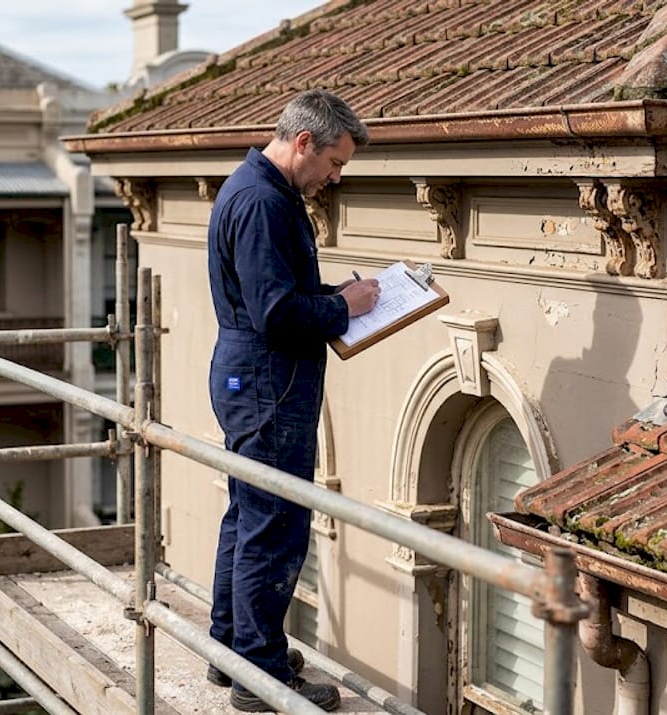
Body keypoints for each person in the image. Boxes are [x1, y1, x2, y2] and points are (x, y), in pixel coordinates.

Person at [204, 89, 378, 712]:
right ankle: (259, 673)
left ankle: (233, 650)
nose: (334, 178)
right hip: (267, 381)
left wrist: (335, 295)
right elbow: (276, 313)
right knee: (274, 528)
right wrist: (342, 306)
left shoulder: (262, 192)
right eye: (334, 163)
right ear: (303, 142)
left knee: (250, 517)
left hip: (257, 379)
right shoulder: (261, 202)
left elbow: (274, 293)